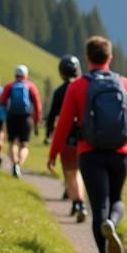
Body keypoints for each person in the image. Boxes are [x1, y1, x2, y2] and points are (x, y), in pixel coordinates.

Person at [48, 36, 127, 253]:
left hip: (89, 152)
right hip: (121, 153)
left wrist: (54, 153)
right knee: (117, 199)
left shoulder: (77, 86)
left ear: (87, 58)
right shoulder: (125, 84)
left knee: (99, 205)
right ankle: (113, 222)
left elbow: (65, 123)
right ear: (110, 58)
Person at [46, 55, 88, 222]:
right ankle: (79, 203)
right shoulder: (83, 87)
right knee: (78, 172)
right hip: (86, 136)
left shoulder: (60, 92)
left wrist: (49, 133)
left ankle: (77, 203)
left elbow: (52, 116)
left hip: (67, 137)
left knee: (70, 173)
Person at [0, 64, 42, 178]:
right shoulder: (31, 86)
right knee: (24, 145)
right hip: (26, 118)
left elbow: (2, 100)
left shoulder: (10, 86)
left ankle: (14, 165)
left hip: (12, 117)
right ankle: (18, 165)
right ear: (26, 75)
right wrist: (37, 121)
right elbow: (37, 106)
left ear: (15, 75)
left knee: (12, 142)